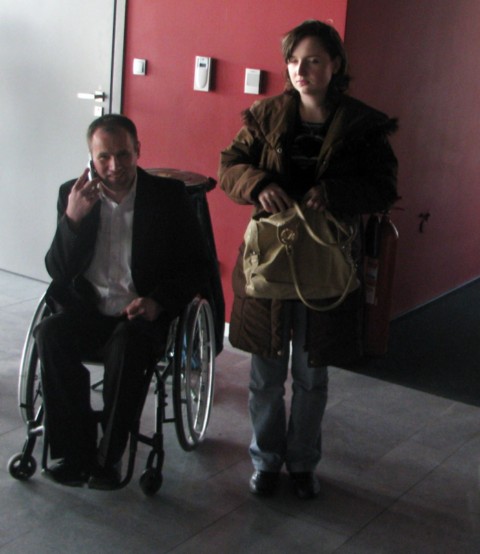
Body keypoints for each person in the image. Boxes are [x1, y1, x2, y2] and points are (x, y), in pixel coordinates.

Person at [218, 20, 398, 499]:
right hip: (270, 262)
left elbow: (383, 187)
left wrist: (334, 193)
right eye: (294, 61)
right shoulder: (266, 116)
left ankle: (301, 463)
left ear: (335, 65)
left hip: (326, 263)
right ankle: (265, 461)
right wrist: (258, 183)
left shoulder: (362, 125)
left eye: (313, 60)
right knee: (265, 374)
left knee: (311, 374)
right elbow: (230, 166)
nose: (301, 70)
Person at [35, 114, 210, 489]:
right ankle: (72, 451)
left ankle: (108, 457)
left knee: (128, 346)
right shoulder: (73, 194)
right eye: (104, 157)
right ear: (91, 157)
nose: (114, 166)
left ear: (138, 151)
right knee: (49, 334)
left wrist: (157, 302)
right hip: (87, 310)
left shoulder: (166, 197)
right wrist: (72, 219)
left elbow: (197, 267)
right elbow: (58, 271)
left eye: (123, 155)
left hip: (138, 317)